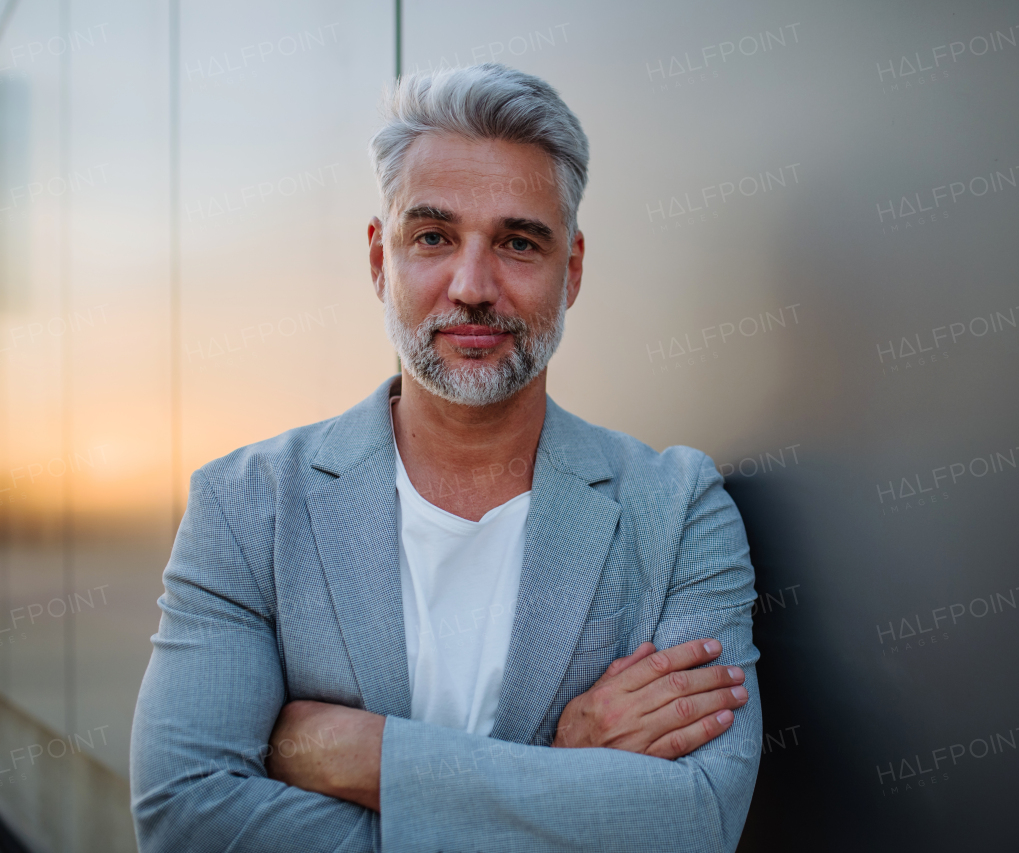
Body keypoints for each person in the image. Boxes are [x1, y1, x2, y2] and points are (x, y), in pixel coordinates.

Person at [130, 63, 761, 852]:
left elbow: (695, 819)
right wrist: (556, 768)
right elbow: (187, 819)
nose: (472, 285)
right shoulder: (246, 507)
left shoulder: (676, 509)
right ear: (377, 259)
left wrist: (365, 754)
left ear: (572, 271)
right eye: (433, 237)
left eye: (518, 242)